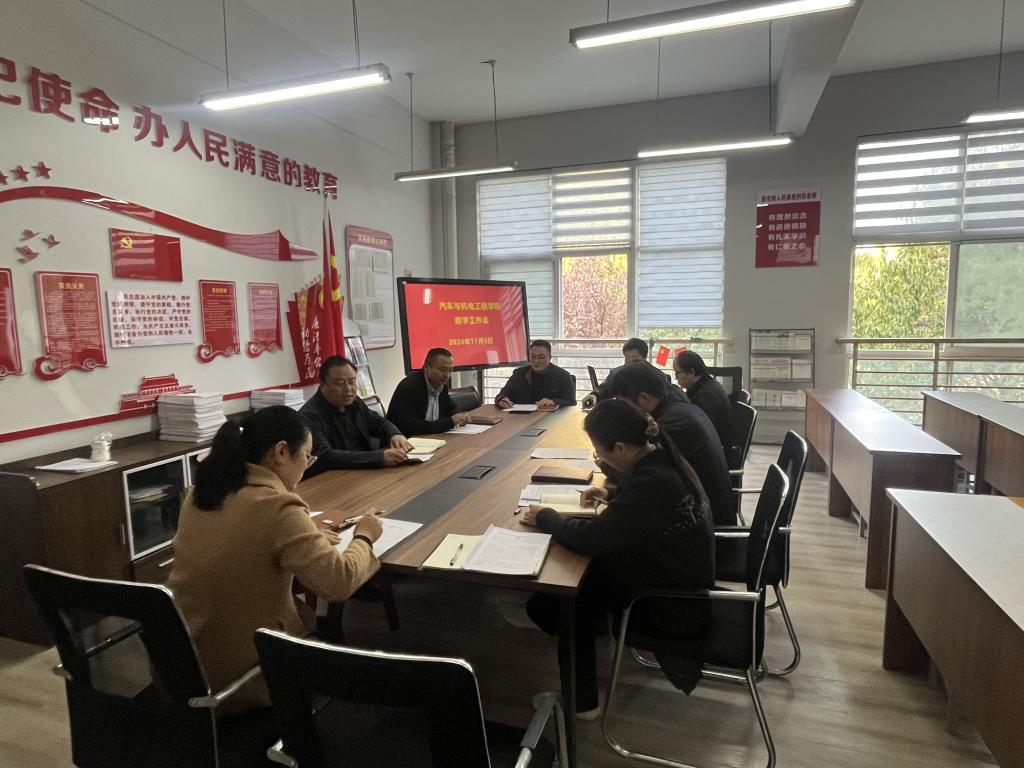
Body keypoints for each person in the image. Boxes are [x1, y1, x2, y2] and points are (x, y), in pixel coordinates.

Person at [168, 405, 383, 713]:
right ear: (281, 452)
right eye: (307, 456)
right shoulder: (278, 506)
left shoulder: (200, 494)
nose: (306, 466)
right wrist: (364, 536)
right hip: (246, 679)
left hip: (185, 666)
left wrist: (306, 539)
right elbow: (339, 582)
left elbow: (243, 551)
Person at [521, 398, 714, 717]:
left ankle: (581, 702)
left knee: (568, 598)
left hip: (668, 603)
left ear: (621, 448)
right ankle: (585, 632)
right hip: (676, 578)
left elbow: (592, 539)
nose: (600, 458)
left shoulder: (651, 483)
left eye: (600, 452)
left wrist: (546, 517)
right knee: (560, 593)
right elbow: (641, 510)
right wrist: (611, 493)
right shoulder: (662, 458)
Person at [609, 362, 734, 526]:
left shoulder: (671, 426)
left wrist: (608, 464)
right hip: (700, 510)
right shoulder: (677, 408)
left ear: (643, 398)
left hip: (704, 525)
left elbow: (647, 480)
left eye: (623, 403)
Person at [300, 356, 413, 475]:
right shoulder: (309, 416)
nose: (348, 389)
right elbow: (325, 456)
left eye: (352, 381)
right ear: (322, 383)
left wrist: (395, 434)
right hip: (333, 477)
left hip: (365, 471)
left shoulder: (355, 403)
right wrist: (378, 457)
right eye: (340, 383)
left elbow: (379, 422)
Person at [386, 347, 472, 435]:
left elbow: (450, 409)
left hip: (431, 438)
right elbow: (412, 427)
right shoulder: (409, 388)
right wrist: (451, 422)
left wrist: (461, 416)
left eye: (450, 370)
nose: (447, 375)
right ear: (427, 367)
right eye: (442, 370)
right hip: (406, 440)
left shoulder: (441, 385)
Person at [581, 337, 679, 409]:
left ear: (644, 358)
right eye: (626, 358)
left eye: (635, 359)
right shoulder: (617, 373)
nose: (630, 363)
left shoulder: (659, 377)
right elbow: (605, 388)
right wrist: (595, 395)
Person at [673, 350, 732, 454]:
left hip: (711, 451)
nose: (675, 377)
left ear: (691, 372)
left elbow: (697, 430)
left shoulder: (708, 395)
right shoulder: (703, 386)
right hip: (708, 445)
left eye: (677, 373)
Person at [495, 339, 576, 409]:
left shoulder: (562, 375)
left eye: (541, 357)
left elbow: (571, 401)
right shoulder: (519, 374)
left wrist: (553, 401)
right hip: (522, 417)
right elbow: (502, 394)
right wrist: (501, 400)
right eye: (533, 357)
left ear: (550, 357)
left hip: (550, 416)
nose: (536, 361)